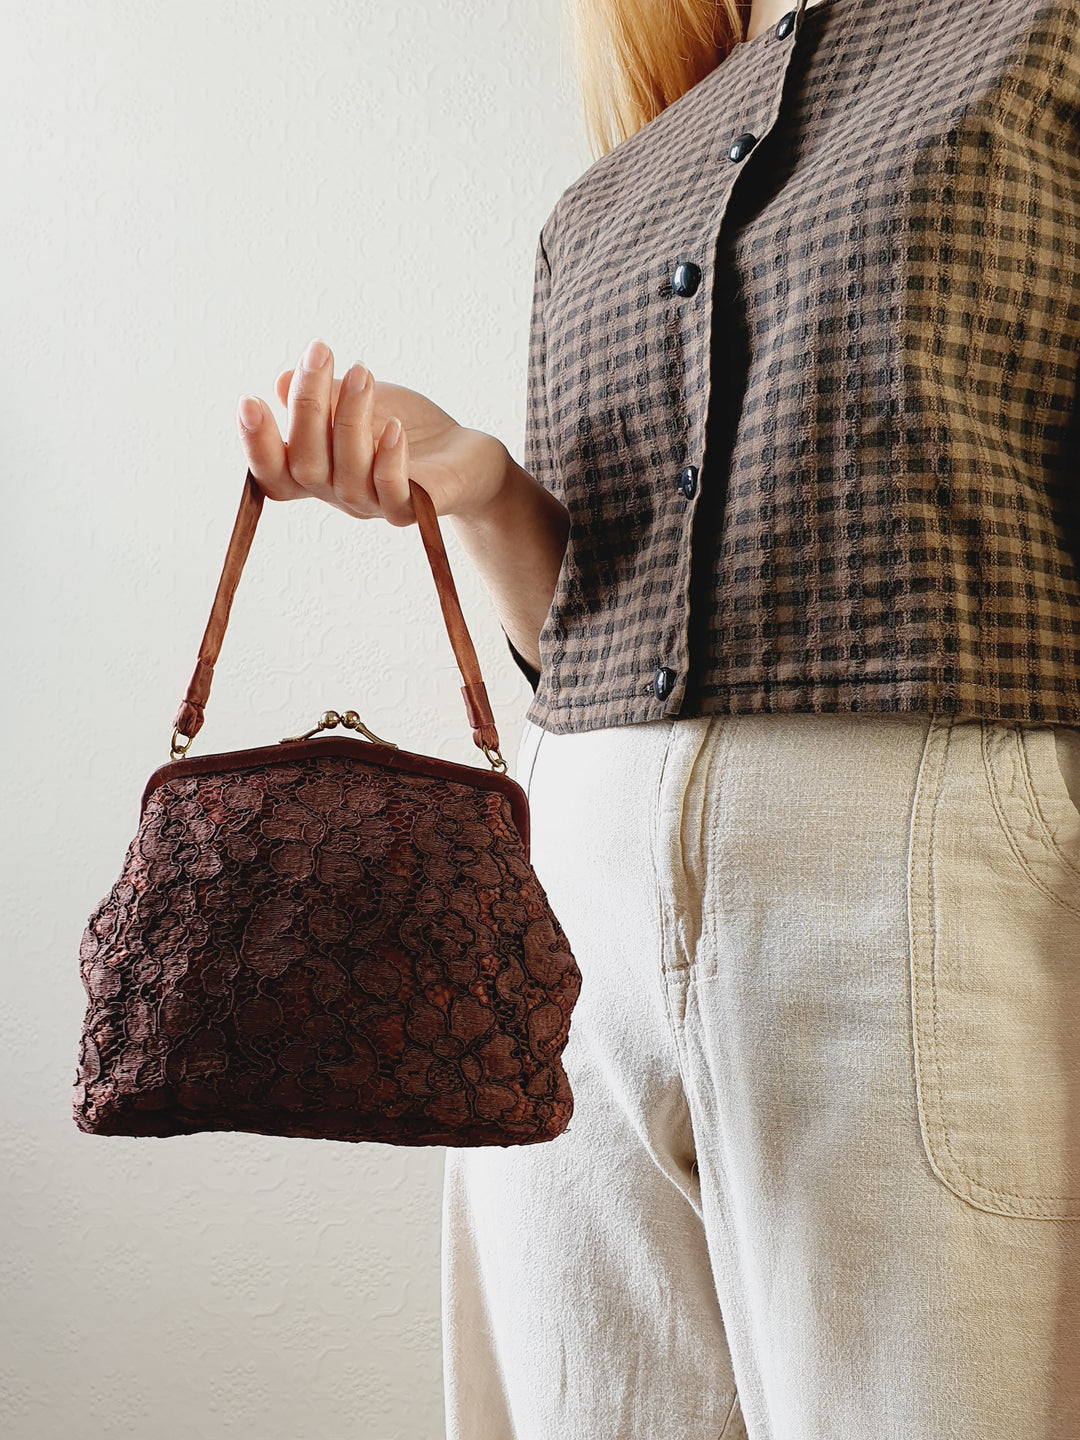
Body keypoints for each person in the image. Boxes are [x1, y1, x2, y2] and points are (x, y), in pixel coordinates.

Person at [236, 0, 1080, 1433]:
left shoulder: (1037, 39)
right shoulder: (617, 187)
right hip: (571, 930)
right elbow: (589, 633)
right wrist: (489, 487)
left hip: (909, 903)